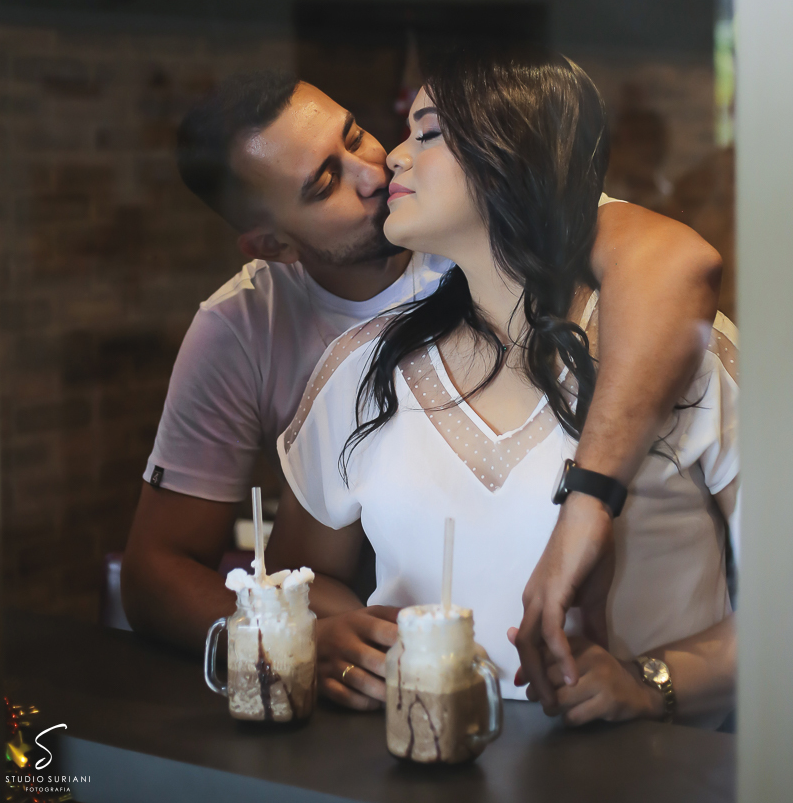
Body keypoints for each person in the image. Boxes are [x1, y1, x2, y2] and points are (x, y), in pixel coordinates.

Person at [121, 68, 722, 705]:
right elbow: (165, 569)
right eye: (325, 183)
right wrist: (303, 637)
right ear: (274, 244)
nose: (374, 170)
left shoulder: (481, 222)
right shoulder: (256, 333)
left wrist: (588, 504)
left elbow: (673, 261)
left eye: (355, 135)